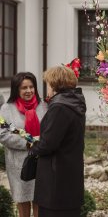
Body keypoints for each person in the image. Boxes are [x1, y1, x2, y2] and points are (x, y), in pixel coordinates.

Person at [30, 66, 86, 217]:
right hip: (70, 174)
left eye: (48, 83)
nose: (47, 87)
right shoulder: (75, 103)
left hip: (55, 180)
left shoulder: (59, 107)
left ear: (55, 85)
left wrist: (33, 146)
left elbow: (48, 144)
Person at [0, 72, 48, 217]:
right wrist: (28, 144)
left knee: (40, 200)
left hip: (41, 161)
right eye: (24, 88)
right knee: (23, 202)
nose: (28, 91)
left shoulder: (44, 106)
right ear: (16, 89)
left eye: (31, 87)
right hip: (18, 164)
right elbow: (3, 134)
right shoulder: (6, 109)